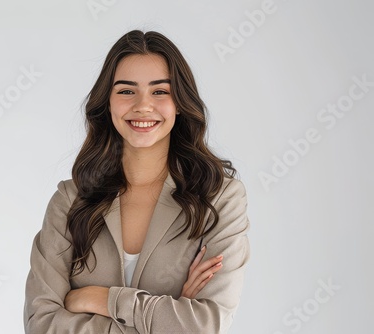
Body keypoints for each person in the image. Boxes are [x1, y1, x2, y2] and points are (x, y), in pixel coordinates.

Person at [24, 30, 250, 334]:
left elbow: (205, 324)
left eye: (160, 91)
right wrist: (169, 316)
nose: (143, 106)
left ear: (180, 102)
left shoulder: (220, 199)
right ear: (108, 102)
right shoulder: (70, 200)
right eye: (126, 91)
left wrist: (103, 299)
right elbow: (41, 324)